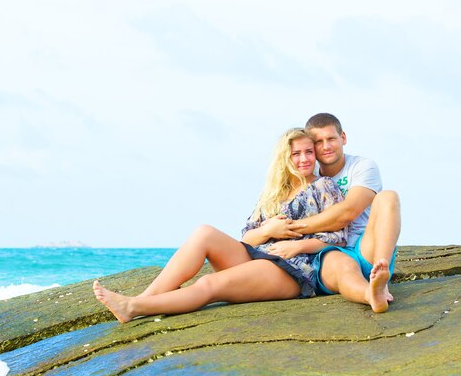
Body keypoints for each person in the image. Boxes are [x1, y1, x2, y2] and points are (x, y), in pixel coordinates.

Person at [93, 128, 347, 323]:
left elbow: (340, 237)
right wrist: (268, 231)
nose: (304, 159)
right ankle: (144, 298)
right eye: (296, 153)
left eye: (308, 152)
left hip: (291, 271)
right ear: (285, 157)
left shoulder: (324, 187)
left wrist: (297, 246)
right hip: (257, 256)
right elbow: (246, 238)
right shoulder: (274, 192)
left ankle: (134, 307)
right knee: (204, 233)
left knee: (209, 285)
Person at [278, 113, 401, 313]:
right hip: (330, 250)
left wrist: (291, 228)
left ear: (342, 138)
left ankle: (381, 272)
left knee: (388, 197)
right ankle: (371, 295)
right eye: (319, 142)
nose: (326, 146)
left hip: (365, 245)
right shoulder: (307, 174)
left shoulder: (362, 166)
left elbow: (348, 212)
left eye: (331, 139)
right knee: (342, 266)